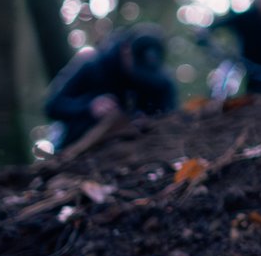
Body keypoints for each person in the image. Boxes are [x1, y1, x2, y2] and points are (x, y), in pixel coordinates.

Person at [40, 25, 177, 163]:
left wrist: (148, 120)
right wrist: (89, 106)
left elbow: (169, 113)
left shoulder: (159, 81)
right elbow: (52, 106)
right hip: (84, 146)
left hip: (137, 149)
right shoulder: (92, 65)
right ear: (125, 50)